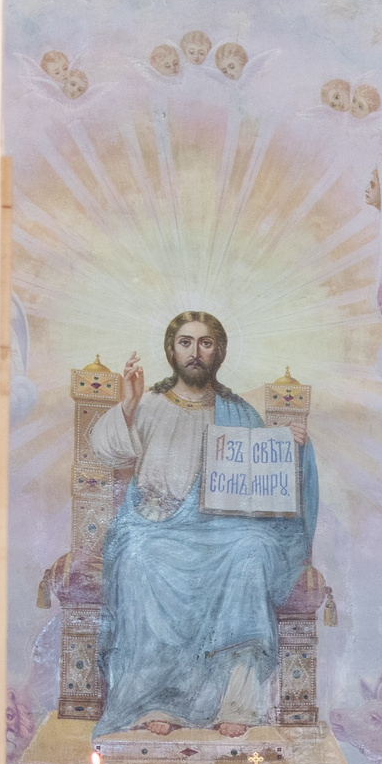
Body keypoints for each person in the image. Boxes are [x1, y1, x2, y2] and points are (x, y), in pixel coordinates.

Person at [84, 310, 321, 737]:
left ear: (219, 352)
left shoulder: (238, 412)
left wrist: (289, 444)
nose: (196, 352)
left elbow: (263, 478)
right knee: (138, 557)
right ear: (172, 351)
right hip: (156, 525)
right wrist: (129, 403)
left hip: (222, 532)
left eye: (205, 343)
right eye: (186, 342)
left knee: (252, 552)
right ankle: (154, 698)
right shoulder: (150, 404)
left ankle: (235, 702)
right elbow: (106, 450)